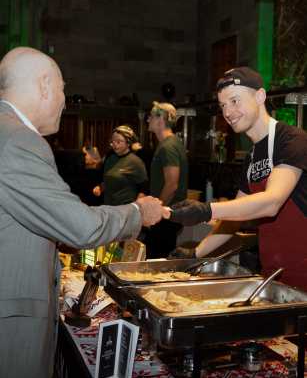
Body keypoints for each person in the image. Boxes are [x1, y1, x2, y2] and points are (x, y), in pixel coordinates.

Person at [0, 47, 167, 378]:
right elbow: (82, 227)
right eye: (63, 89)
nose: (64, 101)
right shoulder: (18, 140)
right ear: (45, 84)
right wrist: (138, 211)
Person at [169, 66, 307, 291]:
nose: (228, 112)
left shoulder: (292, 141)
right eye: (223, 105)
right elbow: (235, 218)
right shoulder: (252, 157)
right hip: (274, 275)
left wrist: (207, 209)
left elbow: (272, 202)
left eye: (235, 101)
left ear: (260, 96)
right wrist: (196, 252)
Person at [145, 101, 188, 258]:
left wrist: (155, 210)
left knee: (155, 264)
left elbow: (171, 184)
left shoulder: (168, 146)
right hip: (168, 214)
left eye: (150, 116)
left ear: (160, 120)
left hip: (166, 216)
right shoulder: (170, 143)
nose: (148, 120)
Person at [93, 125, 148, 205]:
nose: (114, 145)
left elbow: (144, 188)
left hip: (125, 209)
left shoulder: (135, 161)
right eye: (112, 142)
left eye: (118, 142)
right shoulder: (110, 158)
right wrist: (100, 188)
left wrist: (136, 206)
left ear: (128, 143)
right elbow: (109, 180)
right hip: (109, 207)